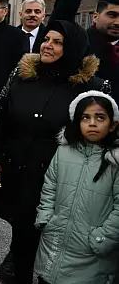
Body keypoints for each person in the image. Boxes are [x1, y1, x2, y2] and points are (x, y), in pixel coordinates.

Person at [0, 19, 111, 284]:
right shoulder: (22, 76)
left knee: (55, 233)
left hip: (62, 175)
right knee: (21, 229)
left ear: (73, 47)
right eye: (46, 39)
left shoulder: (94, 87)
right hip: (18, 166)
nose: (48, 46)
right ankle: (19, 266)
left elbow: (103, 134)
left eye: (57, 42)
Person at [34, 91, 119, 284]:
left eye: (100, 117)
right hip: (55, 240)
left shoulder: (115, 162)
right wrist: (46, 218)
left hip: (93, 250)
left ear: (113, 124)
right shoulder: (64, 151)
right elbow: (50, 185)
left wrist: (102, 238)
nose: (92, 123)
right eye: (85, 117)